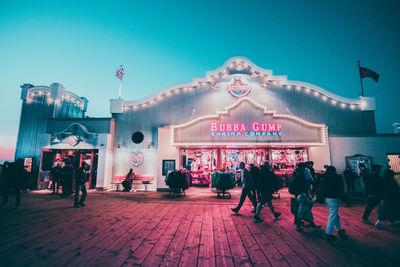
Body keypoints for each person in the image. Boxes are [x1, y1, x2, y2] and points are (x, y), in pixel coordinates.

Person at [319, 166, 347, 240]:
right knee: (333, 215)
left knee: (335, 214)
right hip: (334, 197)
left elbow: (321, 188)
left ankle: (339, 229)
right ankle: (328, 233)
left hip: (326, 198)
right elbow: (341, 188)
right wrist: (344, 198)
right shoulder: (337, 177)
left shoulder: (323, 178)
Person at [289, 163, 308, 231]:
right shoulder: (301, 174)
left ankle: (297, 220)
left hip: (297, 192)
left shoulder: (296, 173)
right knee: (300, 207)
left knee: (298, 206)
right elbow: (303, 184)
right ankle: (298, 223)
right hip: (300, 192)